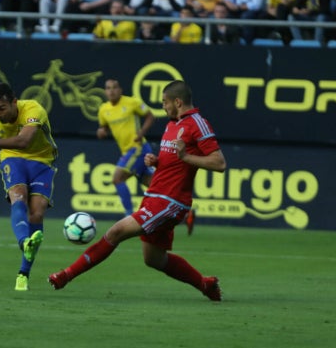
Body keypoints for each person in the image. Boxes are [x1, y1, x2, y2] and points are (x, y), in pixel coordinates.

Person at [48, 80, 226, 302]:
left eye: (165, 102)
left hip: (170, 201)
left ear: (177, 102)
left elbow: (219, 163)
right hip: (155, 196)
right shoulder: (173, 124)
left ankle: (66, 275)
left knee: (115, 232)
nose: (163, 106)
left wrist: (186, 157)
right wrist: (157, 161)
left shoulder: (197, 124)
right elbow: (175, 162)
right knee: (154, 259)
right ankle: (205, 284)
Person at [0, 82, 57, 291]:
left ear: (14, 102)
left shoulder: (34, 109)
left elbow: (24, 140)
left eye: (2, 108)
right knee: (18, 197)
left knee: (36, 214)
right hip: (12, 158)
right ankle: (23, 242)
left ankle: (23, 274)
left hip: (42, 161)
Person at [97, 78, 155, 217]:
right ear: (105, 91)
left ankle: (129, 216)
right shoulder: (103, 110)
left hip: (138, 148)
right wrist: (101, 133)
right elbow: (103, 129)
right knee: (154, 185)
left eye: (114, 87)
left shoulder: (131, 102)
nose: (111, 91)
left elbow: (150, 116)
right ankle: (186, 212)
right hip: (127, 151)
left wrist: (141, 132)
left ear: (120, 90)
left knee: (117, 178)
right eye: (108, 88)